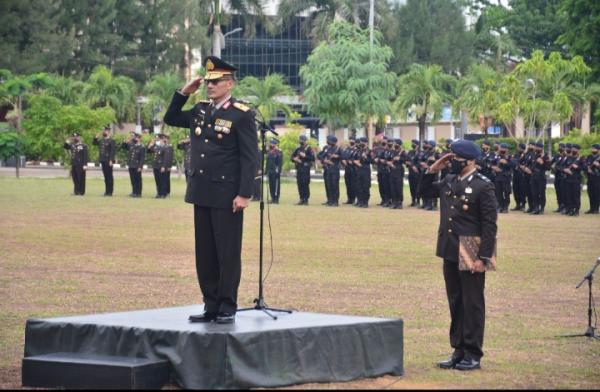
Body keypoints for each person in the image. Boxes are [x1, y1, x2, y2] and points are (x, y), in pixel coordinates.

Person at [163, 55, 258, 324]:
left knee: (227, 252)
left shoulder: (241, 114)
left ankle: (227, 305)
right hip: (202, 189)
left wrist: (244, 193)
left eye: (216, 82)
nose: (210, 86)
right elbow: (171, 118)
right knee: (204, 253)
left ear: (229, 84)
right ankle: (211, 304)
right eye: (208, 82)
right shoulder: (200, 110)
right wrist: (184, 93)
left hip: (227, 193)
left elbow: (249, 157)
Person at [427, 139, 498, 371]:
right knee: (456, 301)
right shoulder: (449, 180)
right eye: (450, 158)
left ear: (470, 161)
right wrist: (433, 169)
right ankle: (458, 349)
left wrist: (484, 257)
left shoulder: (483, 186)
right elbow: (423, 191)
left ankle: (473, 353)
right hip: (449, 247)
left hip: (471, 249)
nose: (452, 162)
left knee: (473, 303)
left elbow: (489, 225)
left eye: (455, 159)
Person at [93, 127, 116, 196]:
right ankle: (106, 191)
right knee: (105, 176)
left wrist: (111, 160)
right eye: (103, 131)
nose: (104, 132)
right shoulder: (101, 140)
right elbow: (94, 143)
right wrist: (96, 137)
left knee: (109, 176)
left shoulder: (112, 141)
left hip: (108, 161)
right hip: (103, 160)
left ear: (108, 132)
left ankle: (110, 191)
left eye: (105, 131)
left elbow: (112, 151)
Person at [291, 135, 314, 205]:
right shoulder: (298, 148)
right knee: (299, 184)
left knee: (305, 183)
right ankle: (301, 198)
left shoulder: (309, 148)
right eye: (300, 140)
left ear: (305, 141)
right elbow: (292, 157)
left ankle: (306, 199)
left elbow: (312, 158)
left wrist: (305, 156)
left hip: (305, 169)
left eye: (302, 140)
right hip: (299, 168)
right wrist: (294, 159)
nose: (300, 141)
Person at [562, 144, 585, 216]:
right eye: (572, 149)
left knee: (576, 195)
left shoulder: (581, 158)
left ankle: (576, 210)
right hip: (568, 179)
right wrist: (565, 170)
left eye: (575, 149)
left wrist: (577, 167)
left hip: (576, 180)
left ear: (578, 150)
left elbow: (585, 168)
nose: (573, 150)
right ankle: (571, 209)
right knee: (569, 195)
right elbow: (563, 166)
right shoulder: (569, 158)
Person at [491, 143, 513, 213]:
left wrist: (506, 163)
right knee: (498, 193)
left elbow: (514, 165)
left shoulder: (509, 157)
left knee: (506, 192)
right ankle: (500, 206)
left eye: (503, 148)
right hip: (498, 177)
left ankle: (506, 207)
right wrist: (494, 167)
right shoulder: (497, 157)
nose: (502, 150)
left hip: (506, 177)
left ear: (507, 149)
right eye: (501, 148)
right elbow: (491, 163)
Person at [122, 131, 145, 197]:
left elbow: (142, 158)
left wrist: (140, 166)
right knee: (132, 179)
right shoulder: (131, 145)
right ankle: (134, 192)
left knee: (138, 179)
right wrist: (125, 141)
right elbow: (123, 147)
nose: (135, 139)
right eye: (135, 137)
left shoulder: (142, 147)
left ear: (139, 139)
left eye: (137, 138)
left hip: (137, 166)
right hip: (131, 165)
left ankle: (138, 193)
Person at [320, 135, 341, 206]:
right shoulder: (328, 148)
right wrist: (325, 161)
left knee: (335, 185)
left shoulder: (338, 149)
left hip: (335, 168)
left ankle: (335, 201)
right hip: (328, 169)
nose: (329, 142)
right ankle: (330, 200)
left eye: (330, 141)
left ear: (334, 142)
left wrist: (337, 156)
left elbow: (343, 157)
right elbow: (321, 156)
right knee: (329, 185)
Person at [387, 138, 406, 209]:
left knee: (398, 187)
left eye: (396, 144)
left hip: (399, 170)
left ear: (399, 145)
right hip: (392, 170)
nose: (394, 145)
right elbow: (388, 159)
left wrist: (400, 159)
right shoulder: (392, 152)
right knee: (392, 187)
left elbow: (408, 160)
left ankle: (399, 202)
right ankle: (394, 202)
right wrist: (388, 163)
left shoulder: (403, 152)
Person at [354, 137, 372, 208]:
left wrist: (365, 157)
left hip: (365, 170)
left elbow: (372, 161)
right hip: (359, 170)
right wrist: (355, 162)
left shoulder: (369, 151)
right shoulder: (359, 151)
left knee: (365, 186)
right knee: (359, 186)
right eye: (360, 142)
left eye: (362, 142)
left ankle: (365, 202)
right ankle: (360, 201)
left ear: (366, 143)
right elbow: (355, 158)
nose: (360, 143)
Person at [147, 134, 167, 198]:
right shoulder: (156, 147)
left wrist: (163, 166)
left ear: (162, 139)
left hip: (161, 166)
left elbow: (165, 158)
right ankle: (158, 193)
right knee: (157, 180)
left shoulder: (164, 148)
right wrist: (150, 146)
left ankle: (163, 194)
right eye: (157, 140)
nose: (158, 141)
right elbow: (149, 151)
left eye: (159, 139)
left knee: (162, 181)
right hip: (155, 166)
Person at [341, 137, 358, 205]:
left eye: (352, 141)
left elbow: (356, 159)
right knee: (348, 184)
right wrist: (343, 161)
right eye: (350, 140)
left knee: (353, 184)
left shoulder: (356, 150)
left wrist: (349, 161)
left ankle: (354, 199)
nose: (351, 142)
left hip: (354, 169)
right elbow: (343, 157)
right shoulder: (347, 149)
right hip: (347, 169)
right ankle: (349, 199)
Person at [266, 138, 283, 204]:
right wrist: (266, 170)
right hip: (270, 171)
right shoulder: (269, 152)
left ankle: (276, 199)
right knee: (271, 185)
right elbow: (267, 162)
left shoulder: (279, 152)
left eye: (272, 143)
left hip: (276, 172)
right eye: (270, 143)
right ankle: (272, 198)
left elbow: (280, 163)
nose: (270, 144)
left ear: (275, 144)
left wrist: (278, 171)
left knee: (276, 186)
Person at [585, 144, 600, 214]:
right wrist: (587, 169)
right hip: (590, 178)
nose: (593, 150)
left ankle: (596, 209)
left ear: (598, 150)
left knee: (596, 194)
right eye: (592, 148)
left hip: (597, 179)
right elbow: (585, 165)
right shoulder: (589, 157)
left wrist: (598, 165)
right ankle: (591, 208)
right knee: (590, 193)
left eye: (594, 149)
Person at [407, 139, 421, 207]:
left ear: (417, 145)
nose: (412, 145)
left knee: (417, 187)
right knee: (411, 187)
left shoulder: (420, 152)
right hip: (411, 172)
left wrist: (416, 166)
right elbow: (407, 161)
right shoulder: (410, 152)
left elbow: (420, 161)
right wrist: (412, 166)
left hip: (418, 172)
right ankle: (413, 200)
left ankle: (418, 200)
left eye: (414, 143)